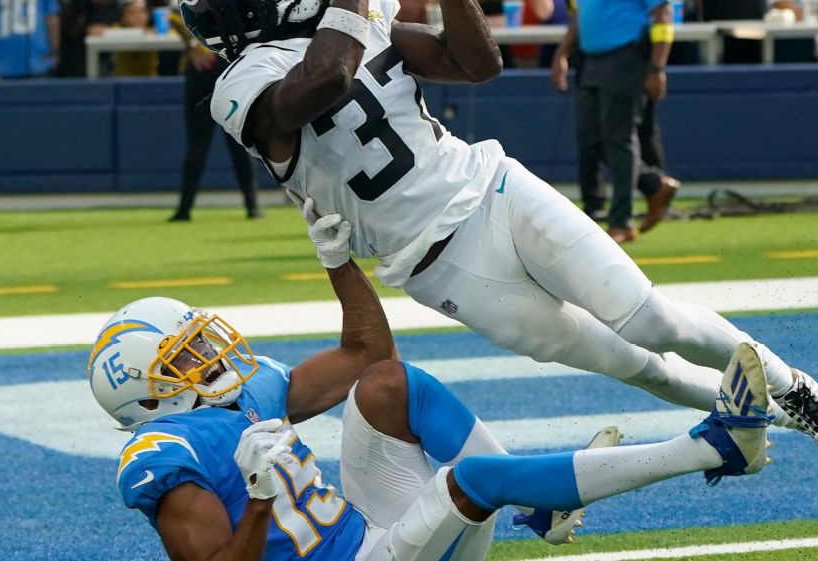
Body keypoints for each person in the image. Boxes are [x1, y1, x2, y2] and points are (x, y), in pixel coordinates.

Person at [183, 0, 818, 469]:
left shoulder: (355, 11)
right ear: (234, 3)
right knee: (635, 365)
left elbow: (479, 63)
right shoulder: (238, 85)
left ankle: (803, 393)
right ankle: (769, 414)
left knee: (650, 316)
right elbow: (326, 79)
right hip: (435, 265)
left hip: (494, 190)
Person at [91, 198, 779, 559]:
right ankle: (716, 446)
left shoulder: (239, 397)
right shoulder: (161, 455)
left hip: (366, 535)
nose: (212, 356)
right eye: (186, 357)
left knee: (391, 386)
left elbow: (368, 357)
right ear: (150, 393)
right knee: (468, 483)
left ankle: (541, 505)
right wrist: (261, 496)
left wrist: (336, 260)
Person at [549, 0, 679, 242]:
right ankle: (653, 183)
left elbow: (663, 13)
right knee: (590, 139)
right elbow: (579, 13)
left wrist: (657, 67)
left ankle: (621, 221)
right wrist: (562, 53)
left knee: (618, 139)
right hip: (592, 59)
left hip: (628, 56)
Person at [169, 13, 261, 222]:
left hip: (211, 67)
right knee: (234, 142)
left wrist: (194, 44)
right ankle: (252, 206)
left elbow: (173, 15)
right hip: (228, 66)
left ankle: (185, 209)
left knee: (202, 144)